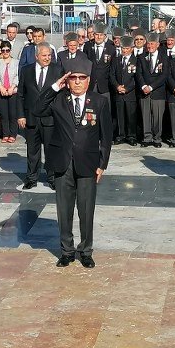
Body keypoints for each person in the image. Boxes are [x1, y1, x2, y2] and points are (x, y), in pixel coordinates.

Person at [33, 56, 112, 269]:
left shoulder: (99, 101)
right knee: (64, 210)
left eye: (81, 78)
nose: (77, 82)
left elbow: (106, 137)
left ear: (88, 80)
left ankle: (85, 251)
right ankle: (66, 251)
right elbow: (38, 109)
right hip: (62, 163)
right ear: (67, 80)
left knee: (86, 211)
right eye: (73, 78)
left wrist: (102, 164)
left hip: (88, 164)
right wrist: (54, 87)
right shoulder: (59, 99)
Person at [18, 42, 63, 189]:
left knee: (51, 149)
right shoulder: (26, 70)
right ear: (36, 56)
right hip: (31, 118)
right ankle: (31, 178)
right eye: (44, 55)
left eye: (49, 55)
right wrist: (20, 115)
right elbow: (21, 95)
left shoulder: (57, 70)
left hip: (50, 118)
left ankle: (52, 178)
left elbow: (61, 95)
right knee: (32, 150)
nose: (47, 58)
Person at [136, 32, 168, 147]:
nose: (150, 46)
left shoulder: (164, 57)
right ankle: (147, 137)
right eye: (148, 44)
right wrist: (144, 86)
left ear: (158, 44)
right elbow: (138, 74)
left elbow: (164, 75)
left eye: (152, 44)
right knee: (146, 116)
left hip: (158, 92)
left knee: (157, 117)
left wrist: (151, 87)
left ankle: (157, 138)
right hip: (144, 91)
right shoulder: (141, 57)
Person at [110, 36, 139, 146]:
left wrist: (127, 88)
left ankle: (131, 136)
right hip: (118, 92)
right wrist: (117, 86)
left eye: (127, 48)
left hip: (130, 93)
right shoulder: (116, 60)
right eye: (123, 48)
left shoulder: (136, 60)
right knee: (119, 115)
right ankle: (120, 135)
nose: (125, 50)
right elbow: (111, 75)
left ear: (132, 48)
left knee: (131, 116)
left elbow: (136, 78)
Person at [0, 40, 19, 143]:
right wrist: (1, 87)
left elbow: (17, 75)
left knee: (13, 114)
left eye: (7, 50)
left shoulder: (16, 62)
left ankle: (13, 134)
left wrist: (12, 87)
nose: (5, 52)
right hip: (1, 91)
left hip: (13, 90)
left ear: (10, 51)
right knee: (4, 114)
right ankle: (5, 134)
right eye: (3, 50)